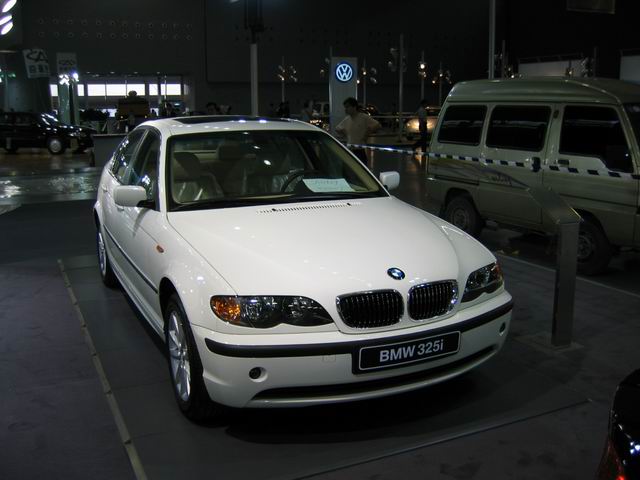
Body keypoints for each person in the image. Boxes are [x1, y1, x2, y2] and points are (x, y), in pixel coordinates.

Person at [335, 97, 381, 167]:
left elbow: (377, 125)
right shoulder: (347, 119)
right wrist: (344, 132)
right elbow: (337, 128)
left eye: (347, 107)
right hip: (349, 150)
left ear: (354, 107)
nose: (346, 109)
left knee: (361, 169)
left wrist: (367, 133)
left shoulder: (364, 117)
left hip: (360, 150)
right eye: (345, 107)